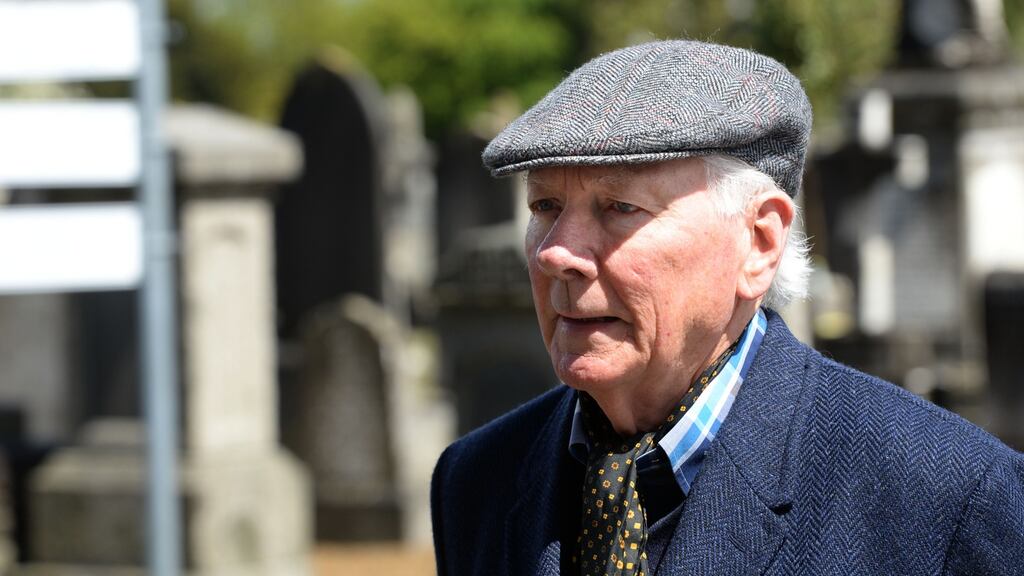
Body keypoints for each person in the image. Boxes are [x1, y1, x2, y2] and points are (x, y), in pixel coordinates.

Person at [430, 39, 1024, 576]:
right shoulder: (478, 480)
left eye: (619, 208)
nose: (557, 252)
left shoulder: (945, 496)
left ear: (760, 241)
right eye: (544, 207)